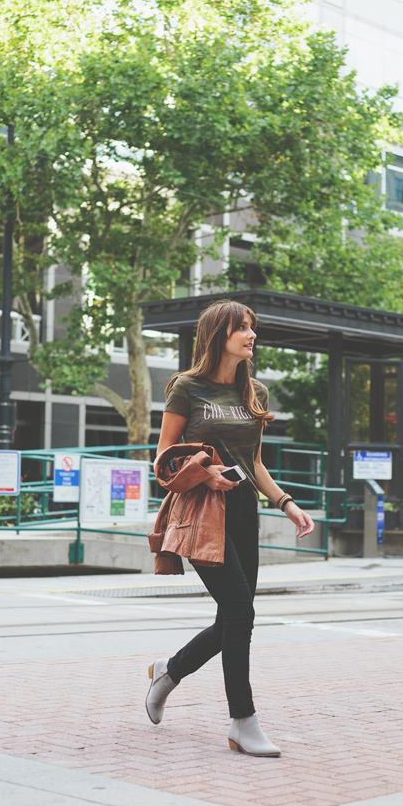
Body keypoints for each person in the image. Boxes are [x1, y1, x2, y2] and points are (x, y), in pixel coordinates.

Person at [146, 299, 314, 757]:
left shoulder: (254, 391)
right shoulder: (186, 388)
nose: (251, 334)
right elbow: (163, 458)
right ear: (218, 334)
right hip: (203, 512)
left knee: (232, 618)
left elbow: (254, 462)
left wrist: (286, 503)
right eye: (242, 327)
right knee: (241, 613)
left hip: (243, 511)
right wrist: (205, 474)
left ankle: (169, 671)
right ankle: (243, 720)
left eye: (252, 327)